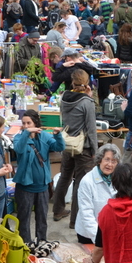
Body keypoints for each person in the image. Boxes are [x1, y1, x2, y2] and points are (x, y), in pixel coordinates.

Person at [12, 110, 64, 245]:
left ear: (36, 123)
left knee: (42, 218)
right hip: (25, 187)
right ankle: (25, 245)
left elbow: (59, 147)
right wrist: (26, 133)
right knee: (24, 218)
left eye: (29, 123)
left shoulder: (44, 137)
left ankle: (42, 242)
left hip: (42, 186)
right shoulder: (19, 137)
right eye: (23, 123)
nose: (26, 125)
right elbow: (18, 149)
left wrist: (58, 135)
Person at [53, 70, 97, 228]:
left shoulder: (64, 97)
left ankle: (57, 210)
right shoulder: (87, 102)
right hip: (83, 147)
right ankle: (75, 220)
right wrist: (95, 151)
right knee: (80, 182)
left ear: (72, 82)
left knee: (65, 176)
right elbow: (91, 129)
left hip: (67, 143)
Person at [75, 144, 120, 244]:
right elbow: (86, 213)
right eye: (107, 159)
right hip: (89, 233)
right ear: (100, 160)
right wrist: (99, 241)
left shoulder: (119, 178)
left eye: (113, 161)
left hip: (111, 231)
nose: (110, 164)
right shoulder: (87, 181)